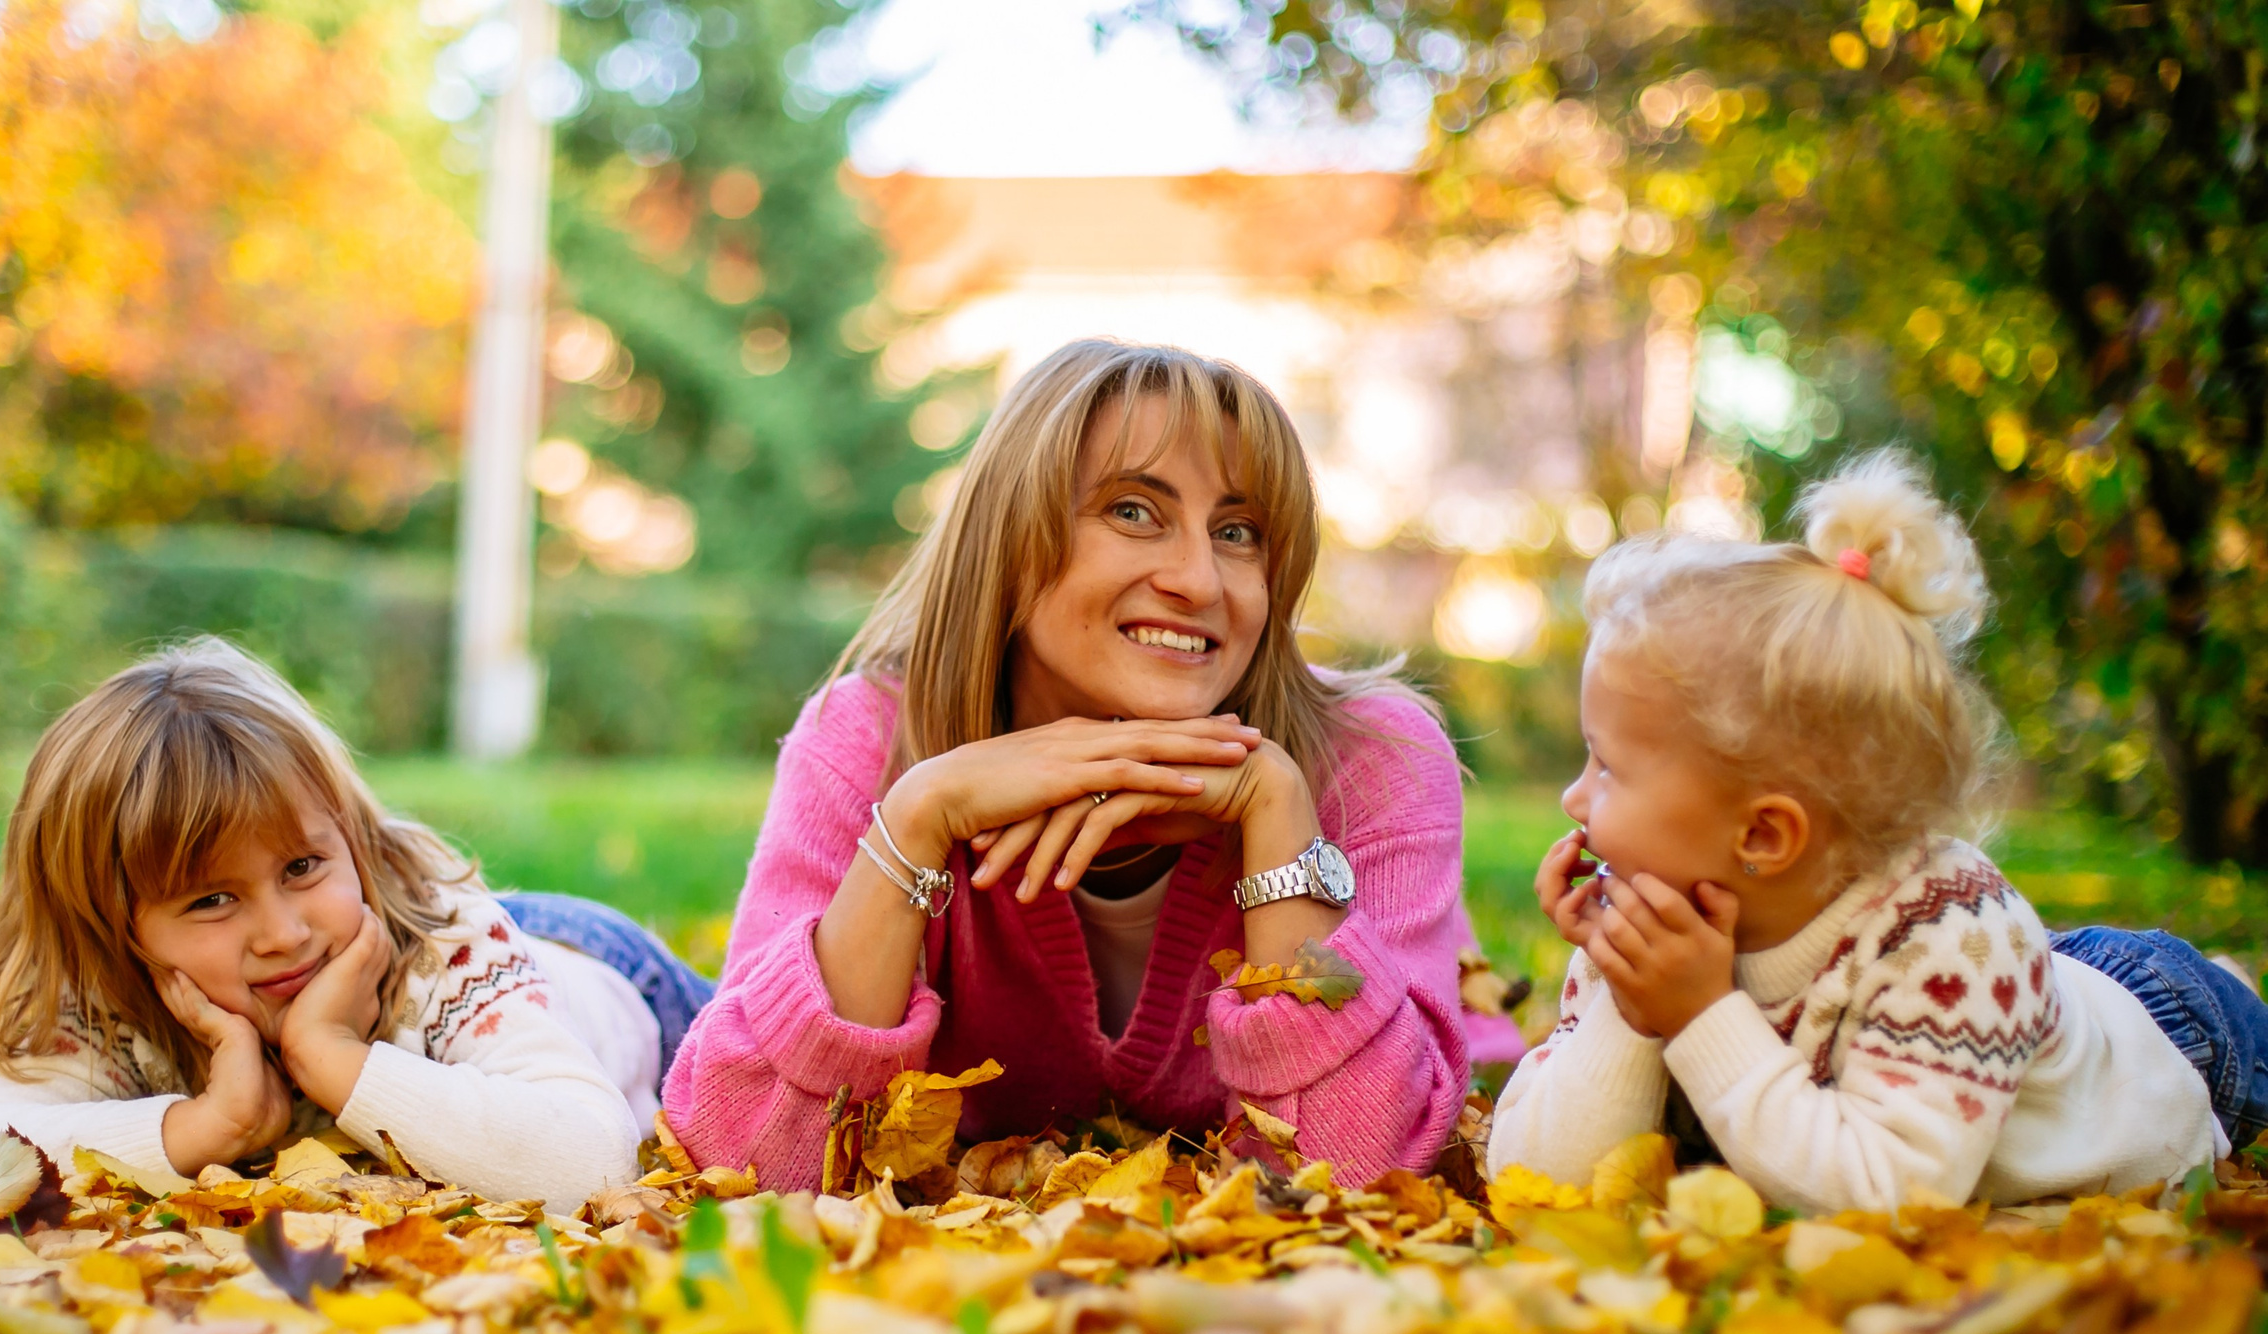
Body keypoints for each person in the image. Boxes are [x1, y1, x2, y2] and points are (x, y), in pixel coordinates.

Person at [663, 338, 1474, 1188]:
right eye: (1134, 511)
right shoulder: (868, 741)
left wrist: (1278, 821)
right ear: (1010, 542)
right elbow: (743, 1164)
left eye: (1237, 532)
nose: (1199, 579)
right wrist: (916, 819)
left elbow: (1365, 1175)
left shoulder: (1370, 759)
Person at [1489, 451, 2267, 1213]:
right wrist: (1629, 1010)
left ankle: (2229, 981)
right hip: (1997, 1006)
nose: (1572, 796)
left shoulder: (1952, 933)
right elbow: (1540, 1182)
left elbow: (1890, 1198)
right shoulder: (1656, 930)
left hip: (2166, 1035)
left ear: (1763, 835)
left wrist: (1700, 1018)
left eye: (1608, 768)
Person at [0, 639, 711, 1212]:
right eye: (210, 900)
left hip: (602, 973)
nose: (284, 933)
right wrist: (206, 1123)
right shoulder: (116, 1000)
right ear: (118, 925)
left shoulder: (449, 952)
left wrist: (332, 1057)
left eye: (302, 867)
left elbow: (590, 1155)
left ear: (350, 834)